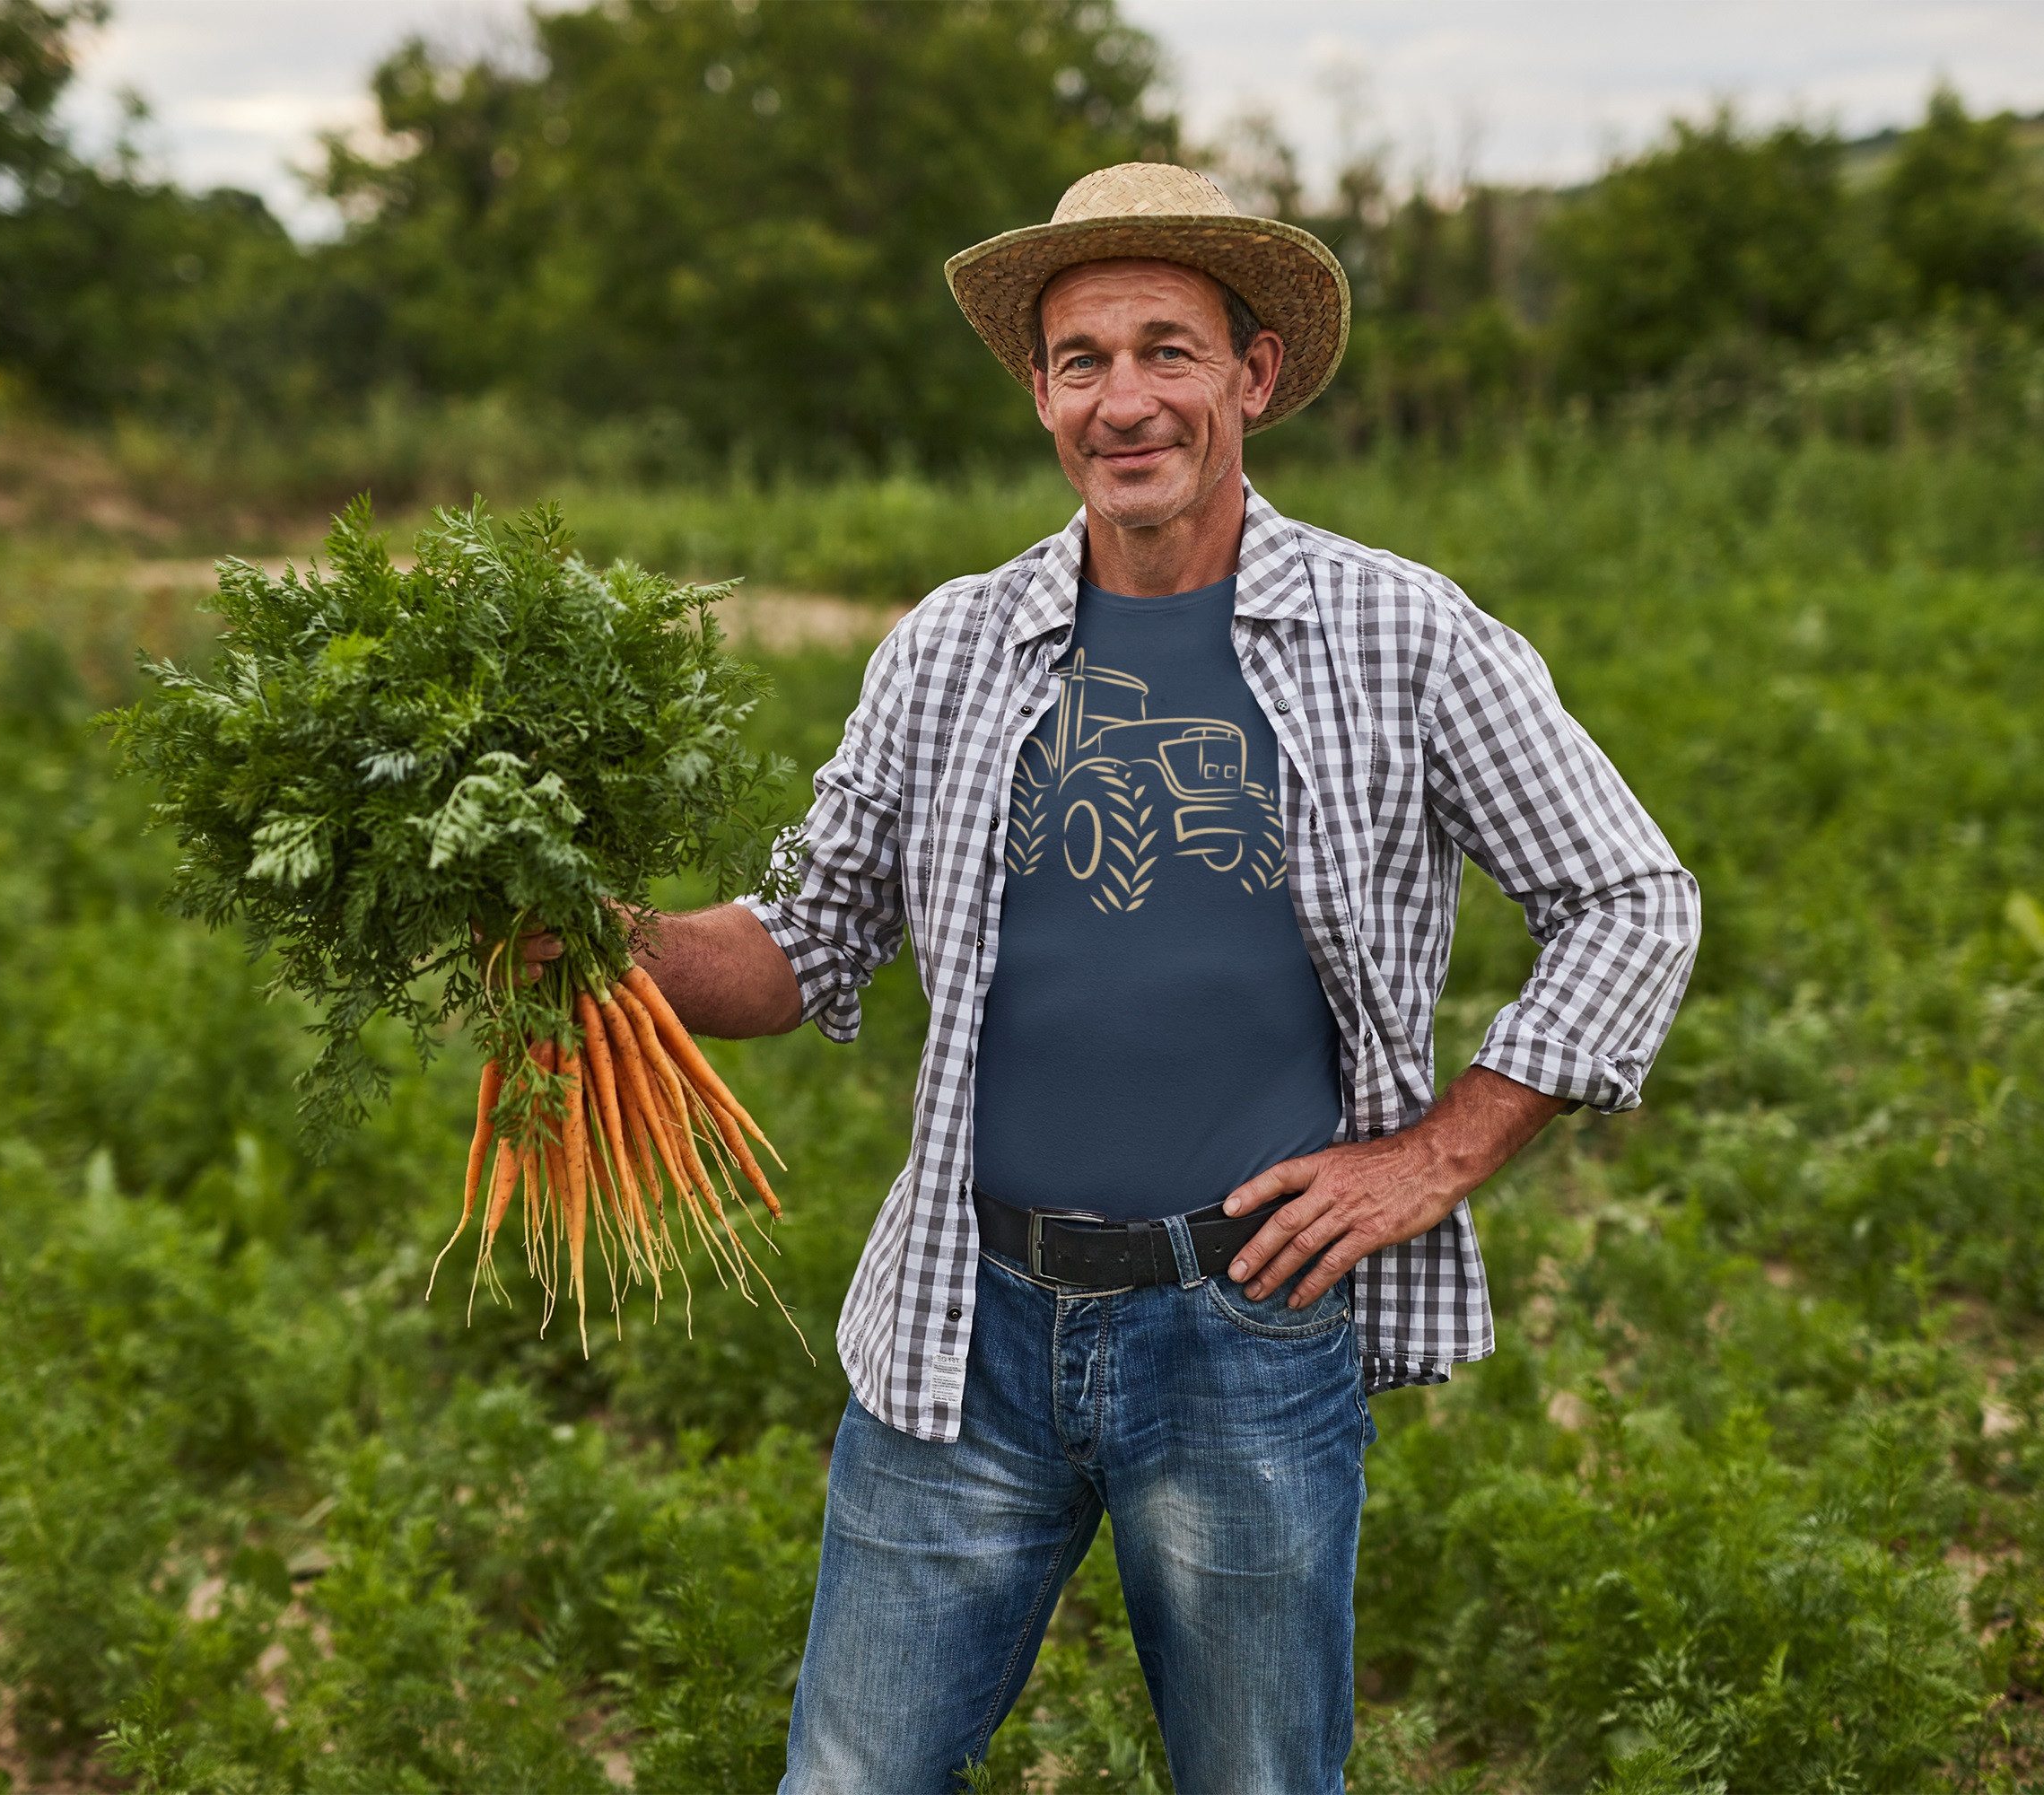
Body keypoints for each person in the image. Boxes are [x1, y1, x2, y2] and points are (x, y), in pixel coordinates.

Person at [528, 162, 1701, 1794]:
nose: (1125, 399)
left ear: (1255, 376)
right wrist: (595, 933)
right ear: (1040, 391)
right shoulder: (950, 645)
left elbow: (1631, 897)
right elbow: (802, 939)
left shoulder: (1401, 634)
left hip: (1245, 1331)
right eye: (1085, 359)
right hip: (967, 1329)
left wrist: (1437, 1155)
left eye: (1169, 349)